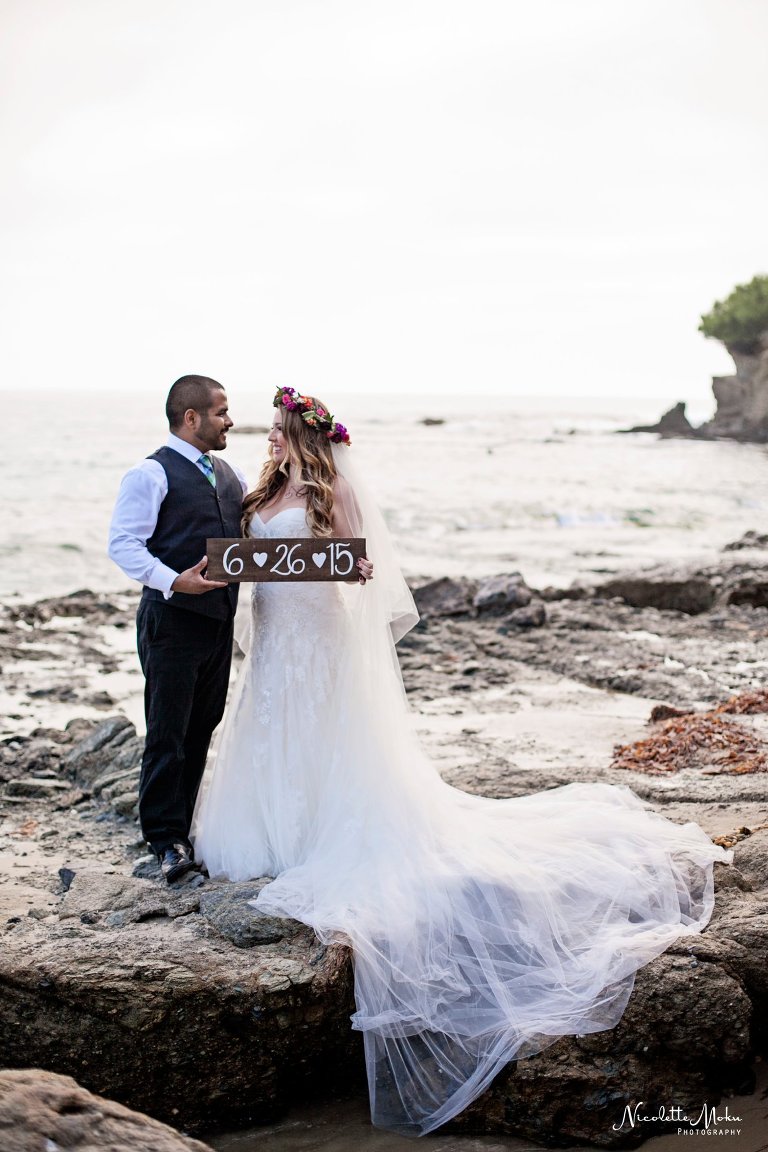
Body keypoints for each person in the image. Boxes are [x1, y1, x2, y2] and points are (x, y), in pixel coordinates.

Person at [191, 387, 731, 1136]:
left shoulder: (332, 487)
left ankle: (316, 830)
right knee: (270, 726)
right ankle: (274, 829)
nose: (272, 439)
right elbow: (245, 560)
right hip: (277, 639)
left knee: (319, 734)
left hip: (317, 637)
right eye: (272, 432)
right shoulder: (261, 487)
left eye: (281, 430)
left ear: (303, 435)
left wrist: (317, 563)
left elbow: (359, 571)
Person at [108, 375, 247, 883]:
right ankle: (165, 841)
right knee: (167, 733)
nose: (229, 420)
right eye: (221, 411)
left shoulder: (230, 475)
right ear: (192, 418)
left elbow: (255, 543)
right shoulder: (150, 473)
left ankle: (183, 829)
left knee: (201, 727)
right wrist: (174, 582)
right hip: (170, 622)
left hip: (218, 625)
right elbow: (123, 544)